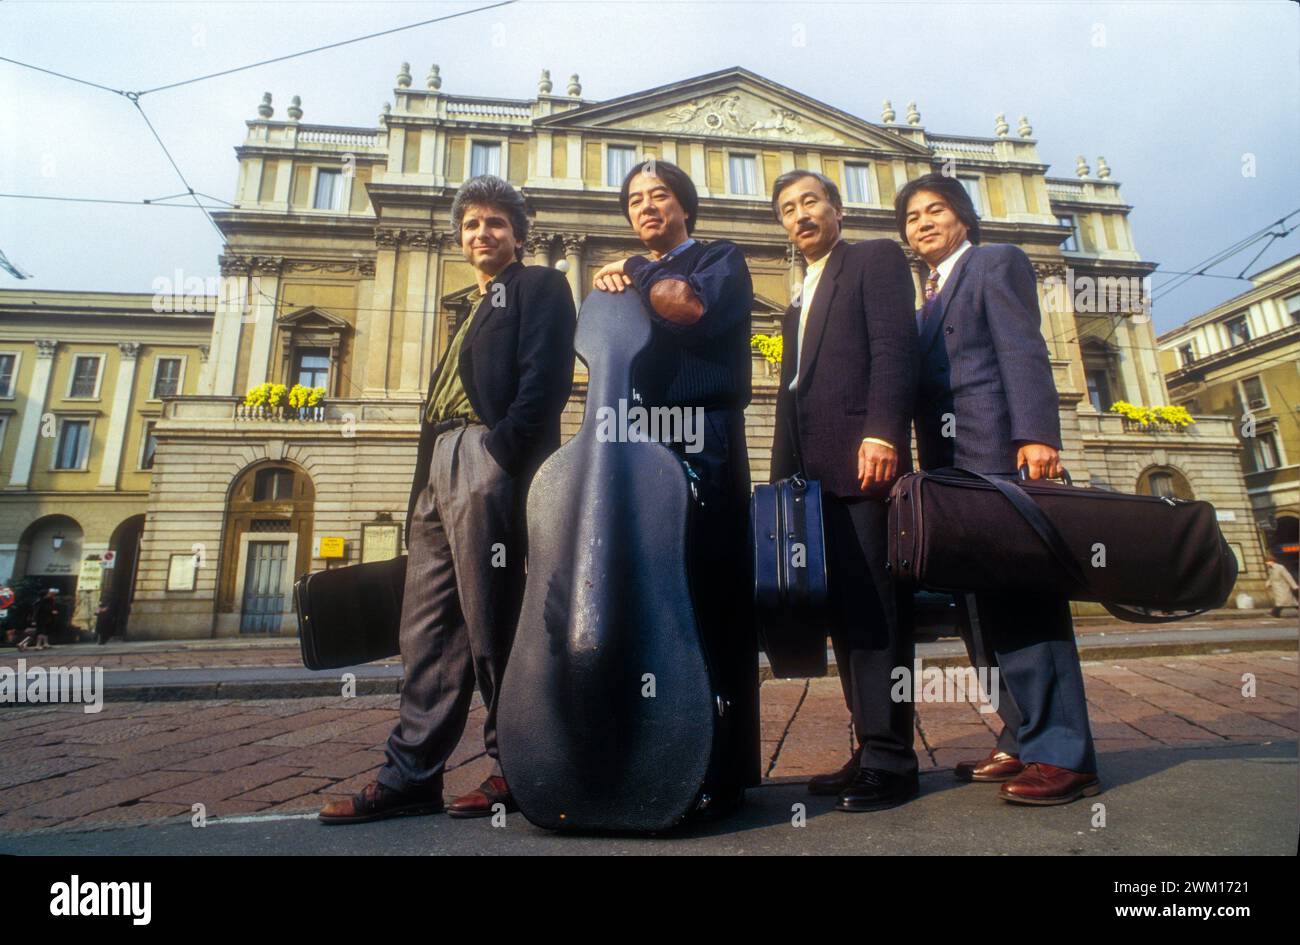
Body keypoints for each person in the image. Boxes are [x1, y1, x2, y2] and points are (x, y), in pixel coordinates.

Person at [320, 175, 577, 824]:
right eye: (470, 225)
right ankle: (410, 775)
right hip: (439, 471)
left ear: (518, 234)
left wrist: (502, 456)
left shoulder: (539, 286)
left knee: (494, 624)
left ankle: (518, 765)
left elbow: (546, 379)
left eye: (495, 222)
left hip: (484, 459)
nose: (481, 233)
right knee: (426, 629)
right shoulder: (473, 307)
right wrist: (421, 492)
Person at [898, 171, 1100, 805]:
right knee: (978, 609)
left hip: (998, 456)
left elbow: (1023, 350)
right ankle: (1021, 735)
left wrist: (1036, 435)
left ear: (963, 216)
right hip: (950, 468)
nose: (923, 223)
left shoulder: (994, 261)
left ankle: (1064, 754)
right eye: (912, 217)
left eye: (935, 210)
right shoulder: (927, 296)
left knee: (1026, 602)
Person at [592, 158, 760, 807]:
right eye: (635, 200)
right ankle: (662, 754)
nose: (646, 207)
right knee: (657, 595)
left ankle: (723, 768)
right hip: (643, 433)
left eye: (659, 195)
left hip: (704, 431)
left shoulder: (718, 257)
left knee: (711, 591)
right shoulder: (640, 272)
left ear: (684, 206)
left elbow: (684, 306)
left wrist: (633, 272)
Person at [765, 170, 920, 812]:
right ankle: (868, 746)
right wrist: (780, 483)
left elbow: (894, 349)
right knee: (842, 618)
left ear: (837, 208)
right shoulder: (800, 295)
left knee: (876, 612)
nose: (800, 215)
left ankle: (893, 759)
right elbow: (792, 394)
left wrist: (884, 431)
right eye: (787, 209)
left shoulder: (873, 258)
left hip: (864, 465)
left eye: (810, 202)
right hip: (814, 479)